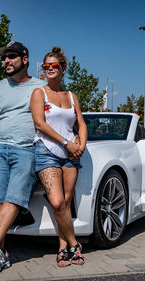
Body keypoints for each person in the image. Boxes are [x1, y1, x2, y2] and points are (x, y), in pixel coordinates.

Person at [0, 41, 46, 276]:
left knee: (14, 197)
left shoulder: (41, 87)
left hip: (27, 150)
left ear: (25, 59)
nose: (6, 61)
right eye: (4, 57)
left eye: (11, 57)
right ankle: (0, 255)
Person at [30, 47, 87, 267]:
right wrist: (66, 143)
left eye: (54, 66)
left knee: (66, 201)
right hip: (46, 151)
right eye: (46, 66)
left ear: (63, 69)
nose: (50, 69)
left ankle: (63, 249)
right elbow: (39, 124)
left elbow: (80, 123)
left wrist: (81, 144)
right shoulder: (39, 93)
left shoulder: (72, 96)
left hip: (71, 155)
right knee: (56, 201)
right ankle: (74, 244)